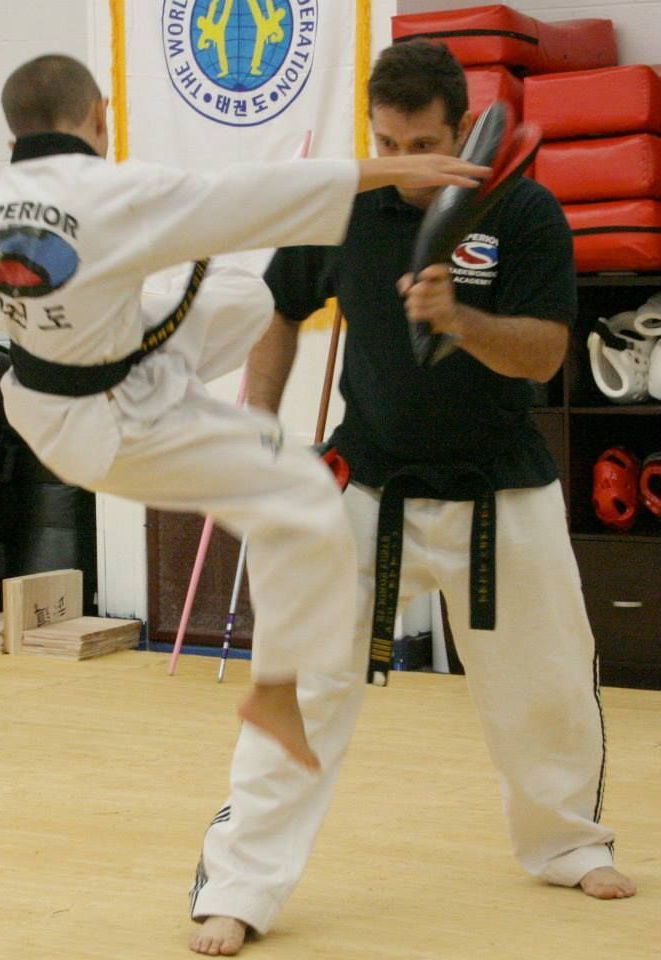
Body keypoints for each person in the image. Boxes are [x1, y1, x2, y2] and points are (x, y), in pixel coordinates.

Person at [0, 54, 487, 768]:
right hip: (111, 422)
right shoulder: (121, 191)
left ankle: (169, 380)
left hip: (45, 402)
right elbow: (254, 191)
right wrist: (390, 168)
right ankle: (278, 693)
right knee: (304, 493)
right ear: (99, 115)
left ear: (14, 131)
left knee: (240, 293)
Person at [188, 38, 636, 957]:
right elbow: (280, 309)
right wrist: (262, 429)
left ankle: (565, 843)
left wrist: (458, 320)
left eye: (418, 142)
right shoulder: (340, 207)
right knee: (298, 690)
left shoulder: (522, 211)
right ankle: (240, 883)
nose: (398, 165)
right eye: (383, 142)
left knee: (548, 682)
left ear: (462, 128)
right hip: (365, 485)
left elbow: (545, 355)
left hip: (500, 484)